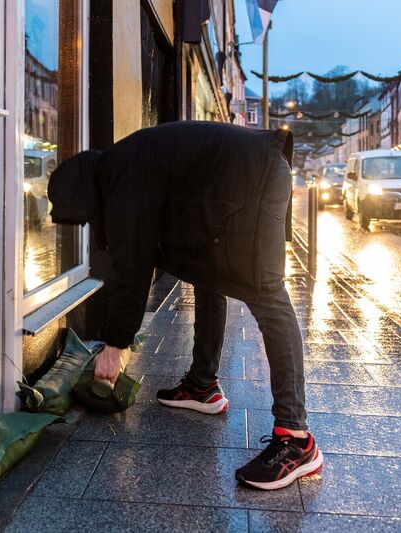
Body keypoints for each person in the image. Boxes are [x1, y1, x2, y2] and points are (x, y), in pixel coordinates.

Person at [47, 121, 322, 490]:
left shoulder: (122, 182)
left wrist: (115, 347)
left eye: (80, 215)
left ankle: (296, 438)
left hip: (253, 178)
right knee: (208, 272)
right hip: (244, 173)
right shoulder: (119, 166)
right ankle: (202, 386)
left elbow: (133, 266)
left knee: (267, 295)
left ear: (83, 195)